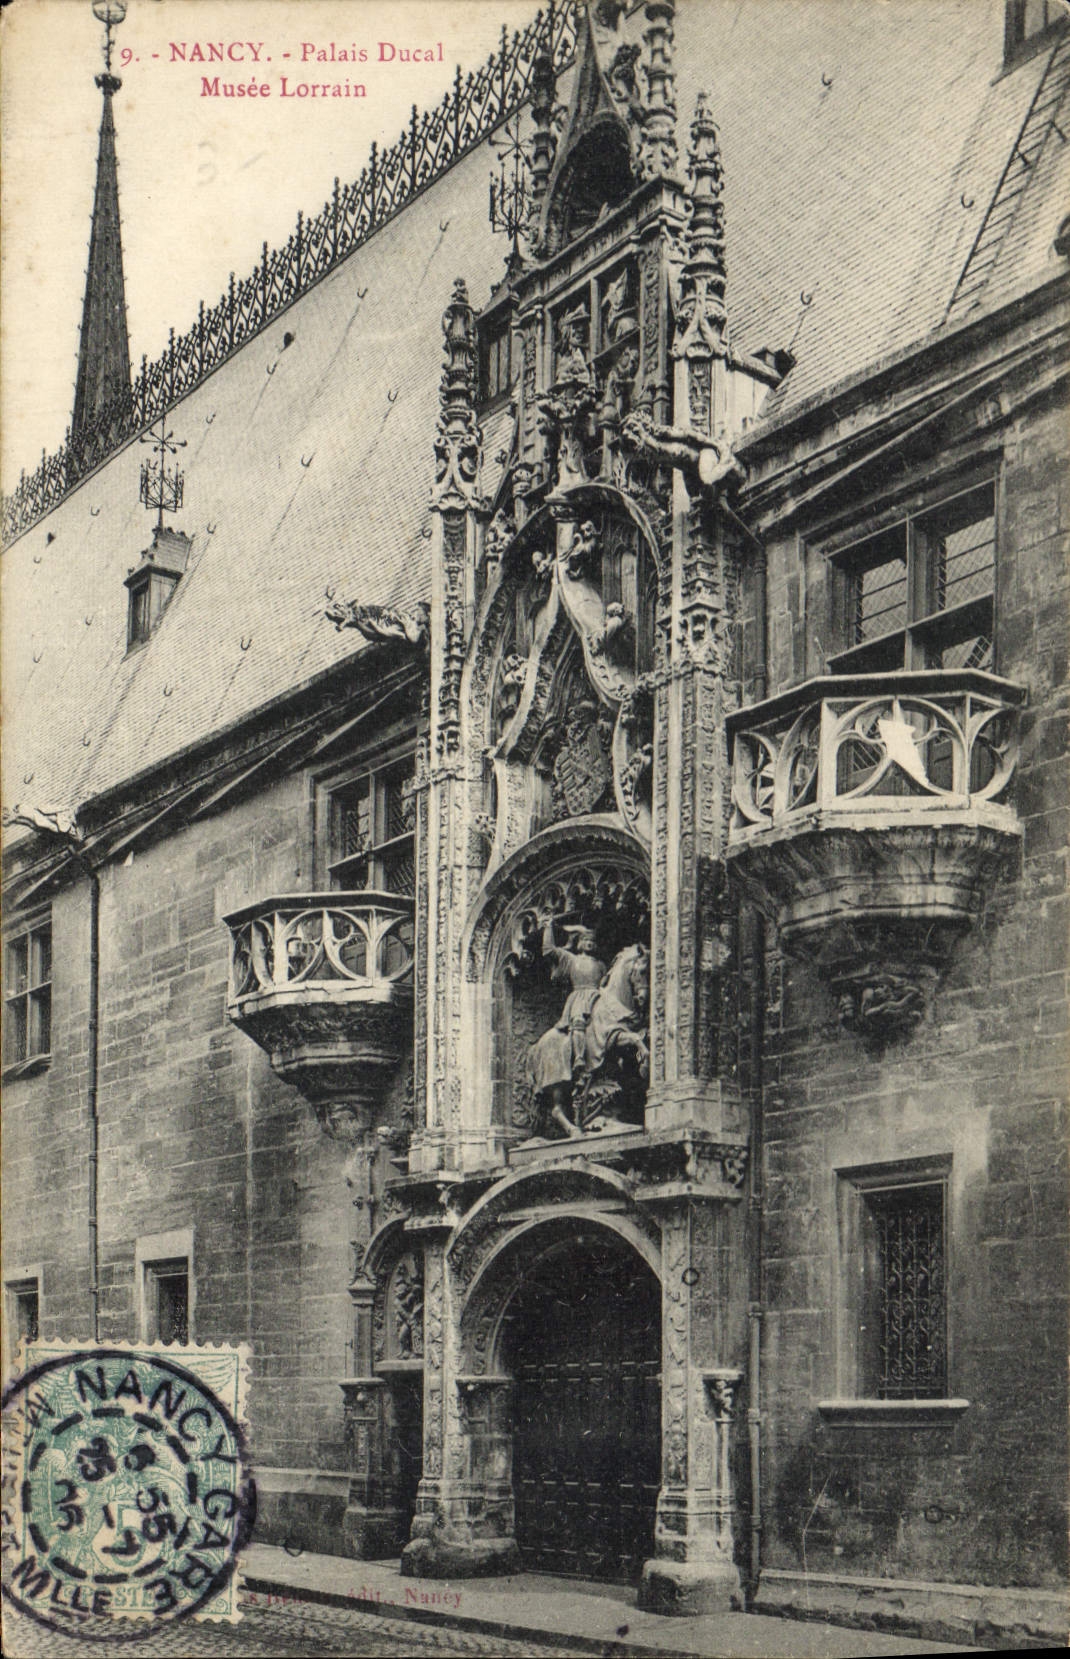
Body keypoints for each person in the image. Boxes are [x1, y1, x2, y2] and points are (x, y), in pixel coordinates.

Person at [528, 920, 606, 1138]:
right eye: (585, 939)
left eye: (592, 940)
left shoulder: (600, 965)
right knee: (578, 1022)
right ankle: (579, 1057)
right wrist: (548, 927)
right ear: (579, 942)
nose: (589, 943)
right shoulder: (571, 960)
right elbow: (549, 950)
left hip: (598, 998)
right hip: (579, 999)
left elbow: (606, 984)